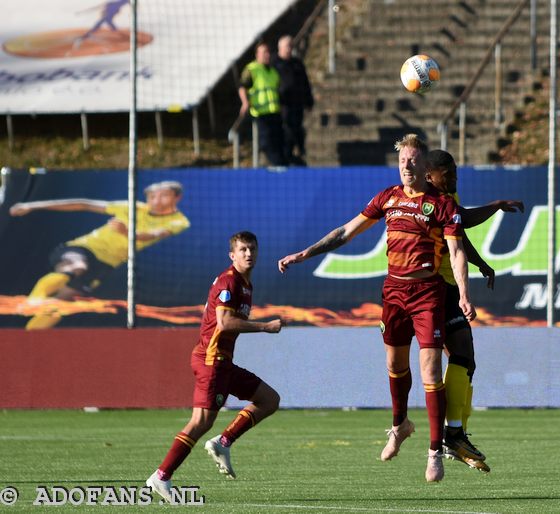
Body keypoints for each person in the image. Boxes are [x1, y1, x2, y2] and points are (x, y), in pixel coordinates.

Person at [278, 134, 474, 482]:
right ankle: (400, 425)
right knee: (395, 365)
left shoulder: (442, 205)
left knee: (430, 371)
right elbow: (345, 232)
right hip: (394, 292)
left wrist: (463, 295)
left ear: (425, 166)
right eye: (402, 161)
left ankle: (434, 453)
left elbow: (457, 252)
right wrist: (305, 253)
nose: (406, 166)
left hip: (427, 292)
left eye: (413, 160)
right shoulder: (388, 198)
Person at [146, 231, 283, 503]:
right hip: (211, 360)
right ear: (232, 255)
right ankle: (161, 476)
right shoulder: (229, 281)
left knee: (269, 399)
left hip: (223, 362)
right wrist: (266, 327)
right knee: (201, 421)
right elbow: (224, 323)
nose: (248, 253)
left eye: (252, 249)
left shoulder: (245, 284)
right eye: (243, 249)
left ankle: (223, 442)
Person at [426, 149, 524, 473]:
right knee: (448, 359)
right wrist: (496, 206)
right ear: (430, 176)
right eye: (448, 175)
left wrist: (480, 263)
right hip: (429, 288)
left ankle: (455, 433)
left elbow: (458, 231)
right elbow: (463, 219)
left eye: (455, 174)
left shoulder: (447, 194)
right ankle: (447, 434)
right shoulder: (426, 199)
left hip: (448, 285)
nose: (453, 180)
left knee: (465, 357)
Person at [9, 180, 190, 329]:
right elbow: (83, 204)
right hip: (84, 248)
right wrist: (31, 205)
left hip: (107, 263)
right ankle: (34, 301)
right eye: (152, 196)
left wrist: (127, 231)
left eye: (163, 195)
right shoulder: (131, 207)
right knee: (77, 266)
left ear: (177, 197)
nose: (156, 200)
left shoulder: (179, 221)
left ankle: (29, 336)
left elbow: (153, 235)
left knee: (62, 302)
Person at [239, 41, 288, 167]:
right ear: (257, 55)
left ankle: (282, 164)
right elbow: (242, 87)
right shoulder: (251, 69)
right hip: (260, 114)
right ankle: (278, 165)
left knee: (280, 141)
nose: (267, 55)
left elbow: (277, 90)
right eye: (264, 52)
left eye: (268, 52)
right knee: (266, 142)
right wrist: (245, 103)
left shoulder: (272, 71)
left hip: (274, 113)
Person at [273, 35, 314, 165]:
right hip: (283, 106)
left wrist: (309, 100)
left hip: (297, 105)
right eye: (287, 46)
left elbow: (305, 83)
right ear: (280, 47)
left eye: (291, 46)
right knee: (286, 132)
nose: (289, 49)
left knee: (297, 130)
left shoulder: (297, 63)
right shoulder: (274, 64)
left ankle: (297, 153)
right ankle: (286, 157)